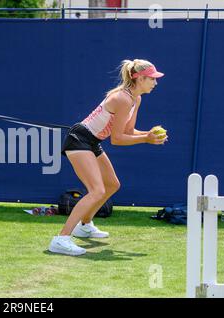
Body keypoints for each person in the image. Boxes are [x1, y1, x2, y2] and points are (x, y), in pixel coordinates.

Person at [49, 59, 167, 256]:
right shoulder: (123, 99)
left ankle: (84, 225)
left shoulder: (136, 99)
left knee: (112, 184)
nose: (155, 83)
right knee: (96, 190)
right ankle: (61, 239)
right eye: (152, 79)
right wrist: (145, 139)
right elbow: (118, 139)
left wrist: (148, 135)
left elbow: (128, 130)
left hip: (92, 142)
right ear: (140, 79)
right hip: (79, 140)